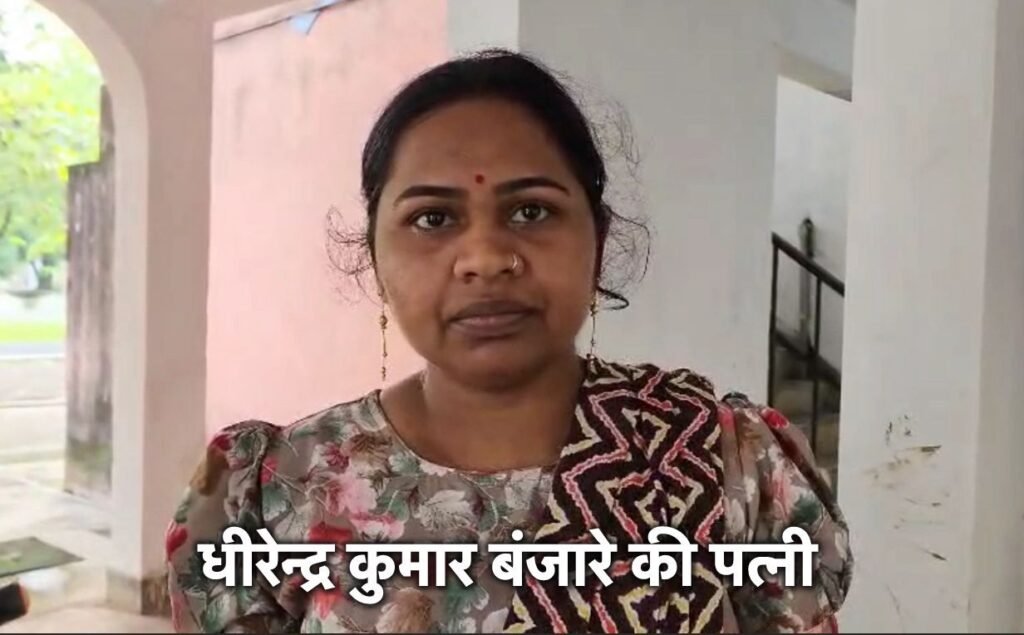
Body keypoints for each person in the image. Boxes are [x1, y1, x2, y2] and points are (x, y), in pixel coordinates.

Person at [166, 49, 852, 633]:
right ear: (375, 255)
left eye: (531, 210)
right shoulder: (275, 493)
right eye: (433, 218)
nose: (487, 258)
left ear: (597, 239)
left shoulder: (724, 461)